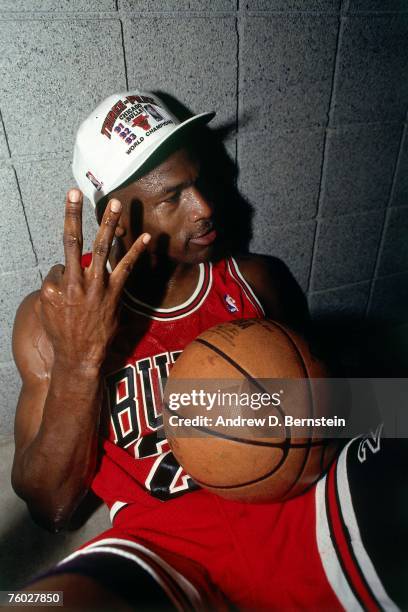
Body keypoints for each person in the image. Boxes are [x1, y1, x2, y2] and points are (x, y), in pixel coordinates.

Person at [11, 91, 406, 610]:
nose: (207, 208)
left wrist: (301, 413)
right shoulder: (52, 316)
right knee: (30, 603)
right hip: (159, 543)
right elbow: (51, 509)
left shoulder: (258, 281)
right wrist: (81, 360)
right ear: (116, 216)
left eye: (200, 181)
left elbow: (349, 409)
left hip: (299, 503)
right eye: (173, 197)